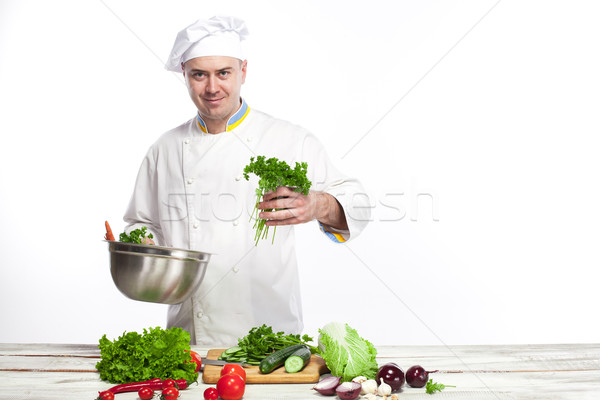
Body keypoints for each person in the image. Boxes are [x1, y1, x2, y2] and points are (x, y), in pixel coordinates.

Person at [123, 15, 371, 346]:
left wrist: (319, 204)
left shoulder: (289, 139)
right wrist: (146, 247)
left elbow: (359, 204)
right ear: (185, 76)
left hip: (271, 338)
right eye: (200, 74)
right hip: (189, 338)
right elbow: (139, 224)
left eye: (223, 73)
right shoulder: (164, 149)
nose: (212, 88)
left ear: (243, 72)